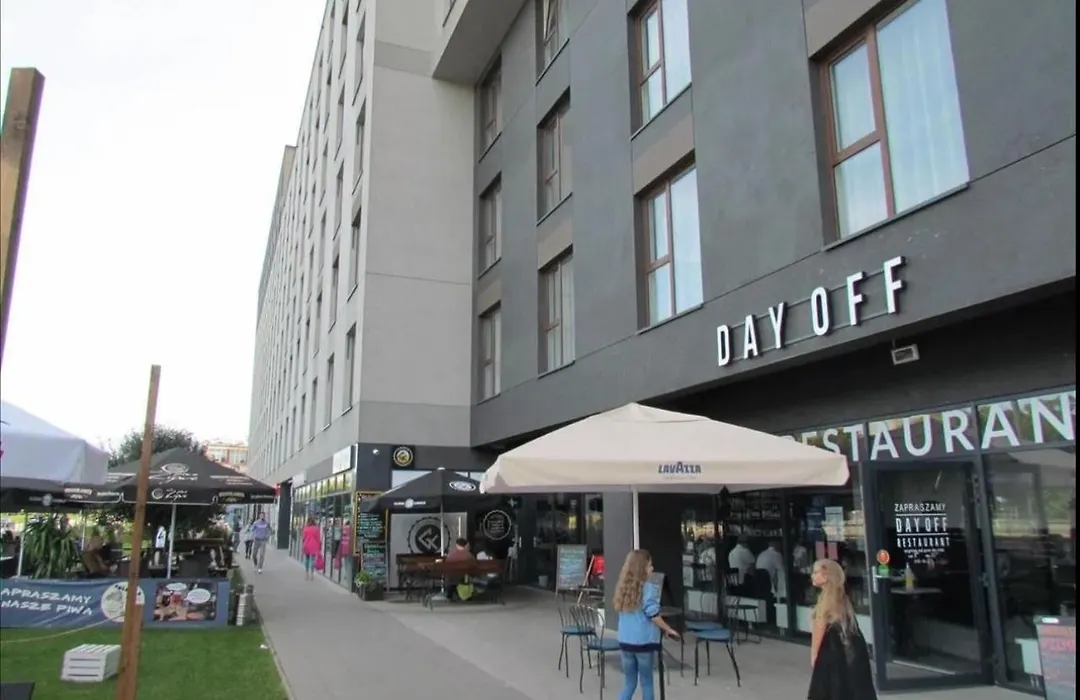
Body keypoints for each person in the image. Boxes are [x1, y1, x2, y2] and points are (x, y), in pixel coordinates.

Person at [613, 549, 680, 700]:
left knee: (629, 683)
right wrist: (668, 629)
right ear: (641, 568)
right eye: (649, 565)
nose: (652, 568)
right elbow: (652, 614)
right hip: (643, 642)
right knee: (647, 682)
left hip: (625, 641)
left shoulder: (623, 589)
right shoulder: (648, 588)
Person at [808, 559, 877, 700]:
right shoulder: (843, 599)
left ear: (826, 576)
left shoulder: (825, 603)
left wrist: (814, 657)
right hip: (849, 656)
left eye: (816, 572)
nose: (812, 575)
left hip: (830, 656)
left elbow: (818, 634)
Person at [301, 517, 321, 581]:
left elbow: (303, 538)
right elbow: (318, 538)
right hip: (314, 546)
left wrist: (303, 545)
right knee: (313, 560)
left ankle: (306, 573)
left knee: (307, 559)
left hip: (307, 545)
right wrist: (319, 546)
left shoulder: (306, 528)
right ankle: (312, 574)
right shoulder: (316, 529)